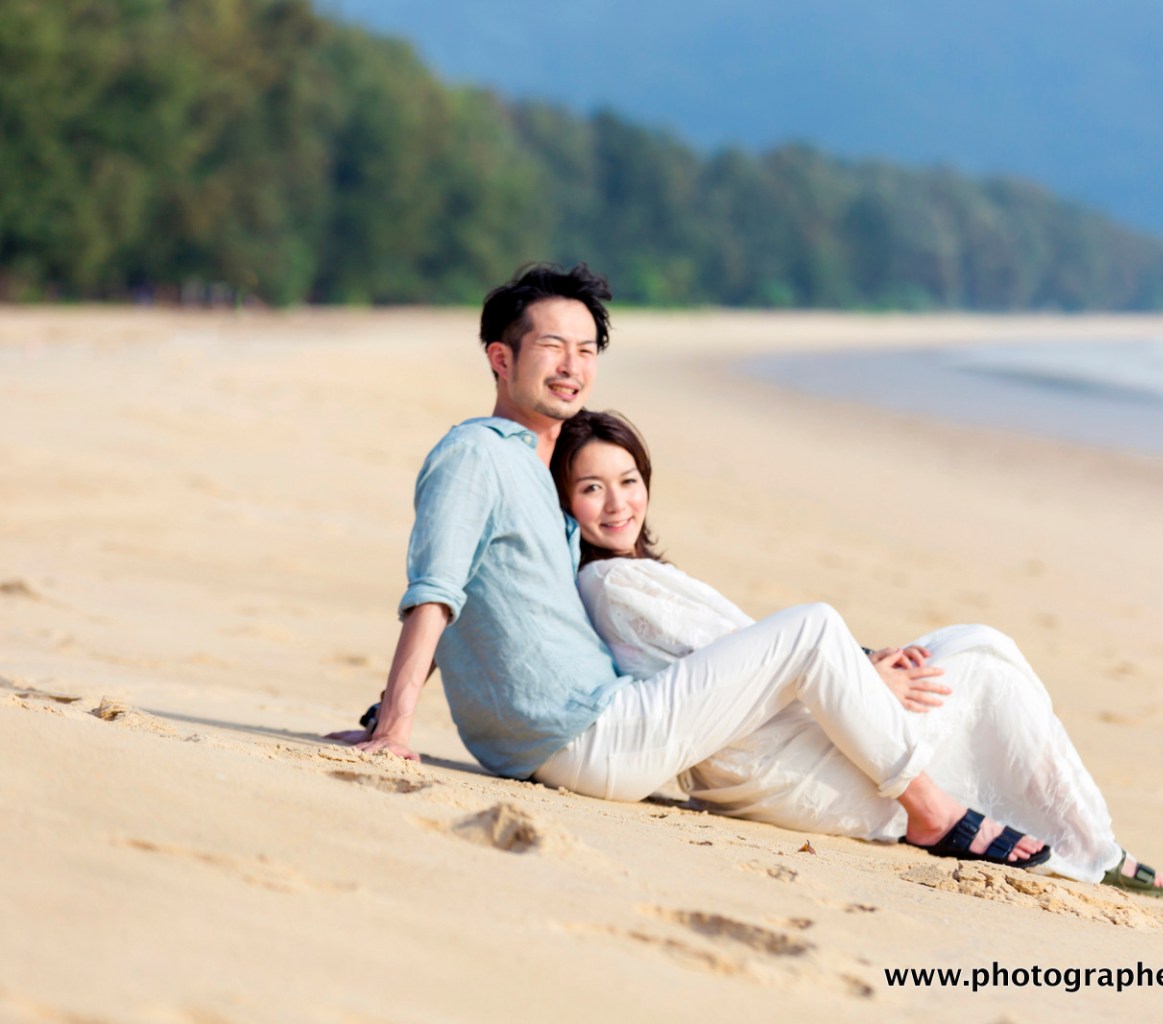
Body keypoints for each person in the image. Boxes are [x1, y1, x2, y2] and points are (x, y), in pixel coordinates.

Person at [341, 262, 1063, 871]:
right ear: (501, 358)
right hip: (594, 733)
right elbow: (436, 588)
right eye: (553, 347)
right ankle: (932, 811)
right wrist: (396, 728)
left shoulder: (536, 475)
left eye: (588, 350)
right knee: (812, 628)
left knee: (821, 657)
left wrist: (383, 709)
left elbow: (470, 593)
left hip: (558, 741)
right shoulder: (477, 454)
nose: (573, 367)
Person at [549, 408, 1163, 895]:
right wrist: (863, 682)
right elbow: (737, 676)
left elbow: (743, 659)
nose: (617, 503)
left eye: (628, 480)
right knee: (985, 656)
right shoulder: (612, 585)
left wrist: (865, 664)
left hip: (780, 741)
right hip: (780, 766)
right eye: (592, 489)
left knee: (964, 645)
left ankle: (1083, 837)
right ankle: (1088, 844)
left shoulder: (632, 576)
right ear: (567, 503)